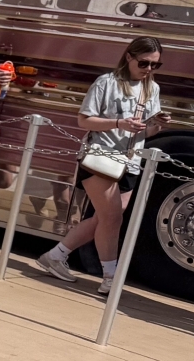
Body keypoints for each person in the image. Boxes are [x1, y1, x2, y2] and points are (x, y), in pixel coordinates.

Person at [38, 37, 167, 294]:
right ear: (129, 57)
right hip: (100, 158)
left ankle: (55, 256)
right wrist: (119, 123)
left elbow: (146, 131)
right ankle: (110, 276)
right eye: (144, 63)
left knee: (103, 219)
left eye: (155, 65)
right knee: (112, 218)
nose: (149, 69)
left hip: (130, 161)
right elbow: (84, 120)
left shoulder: (151, 88)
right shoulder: (106, 83)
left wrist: (156, 124)